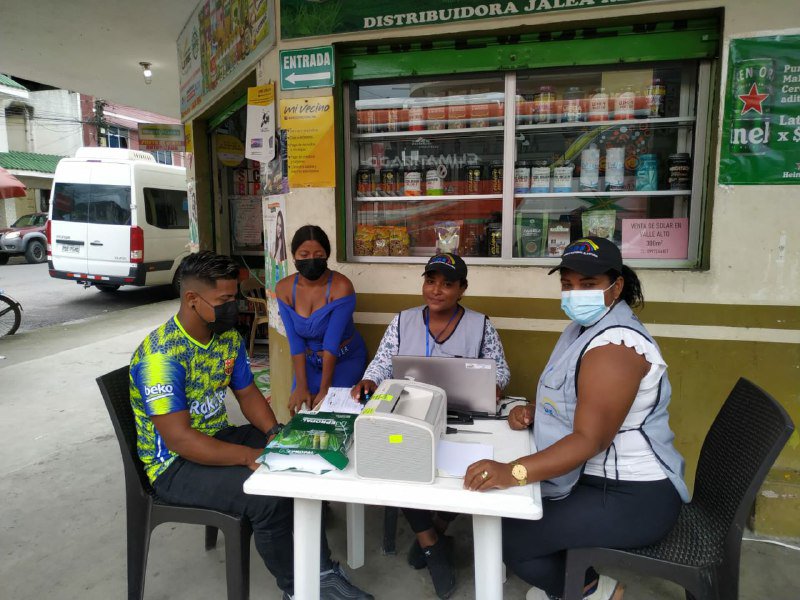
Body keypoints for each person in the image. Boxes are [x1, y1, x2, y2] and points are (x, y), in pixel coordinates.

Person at [129, 251, 372, 600]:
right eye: (225, 300)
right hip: (174, 465)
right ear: (192, 300)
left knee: (304, 456)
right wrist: (248, 456)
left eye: (235, 297)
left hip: (217, 436)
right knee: (268, 497)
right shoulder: (161, 356)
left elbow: (247, 394)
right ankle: (297, 590)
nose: (234, 307)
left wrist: (276, 434)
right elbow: (180, 439)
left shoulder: (225, 337)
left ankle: (320, 571)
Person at [463, 237, 689, 600]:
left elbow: (590, 439)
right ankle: (576, 583)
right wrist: (543, 412)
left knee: (509, 536)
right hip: (596, 478)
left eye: (588, 284)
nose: (574, 294)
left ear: (616, 286)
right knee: (514, 514)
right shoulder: (586, 329)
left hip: (632, 494)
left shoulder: (615, 347)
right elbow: (586, 402)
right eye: (567, 285)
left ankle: (593, 591)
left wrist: (513, 471)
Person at [351, 252, 510, 600]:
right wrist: (369, 380)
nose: (436, 290)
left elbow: (501, 370)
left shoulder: (480, 324)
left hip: (461, 414)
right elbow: (381, 363)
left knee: (467, 468)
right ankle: (429, 541)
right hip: (410, 413)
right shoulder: (403, 321)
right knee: (398, 459)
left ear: (462, 289)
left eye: (447, 284)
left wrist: (494, 385)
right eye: (430, 281)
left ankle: (439, 524)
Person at [276, 225, 367, 415]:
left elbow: (331, 344)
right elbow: (295, 341)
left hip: (345, 358)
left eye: (318, 255)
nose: (311, 260)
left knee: (333, 412)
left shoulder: (341, 287)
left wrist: (326, 390)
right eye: (304, 254)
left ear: (327, 255)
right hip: (309, 361)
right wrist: (301, 386)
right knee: (301, 412)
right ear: (294, 256)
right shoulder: (284, 289)